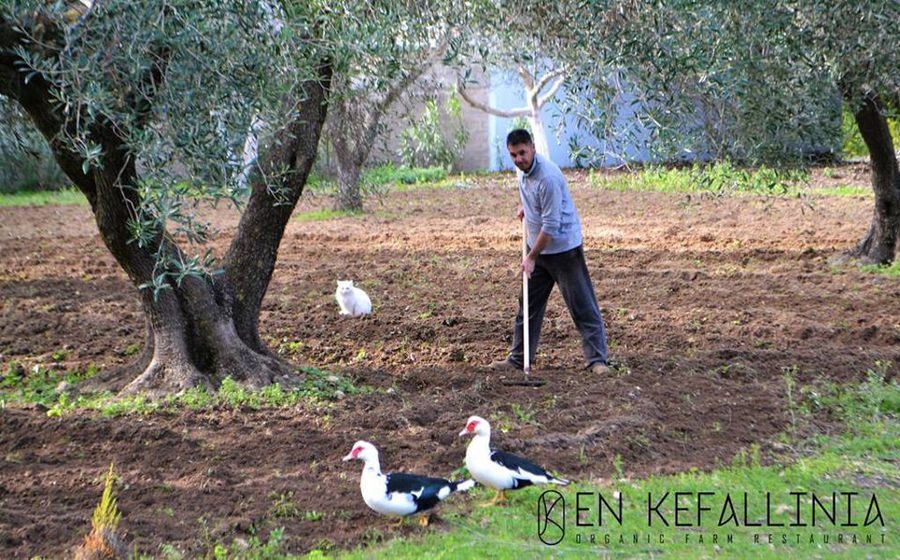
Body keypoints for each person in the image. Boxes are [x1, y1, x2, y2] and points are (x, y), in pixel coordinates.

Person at [490, 129, 610, 375]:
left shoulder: (548, 177)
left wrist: (531, 257)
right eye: (513, 155)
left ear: (532, 148)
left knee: (582, 304)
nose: (518, 159)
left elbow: (552, 226)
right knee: (528, 306)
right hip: (536, 246)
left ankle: (597, 360)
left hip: (563, 250)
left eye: (522, 153)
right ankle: (518, 359)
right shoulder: (522, 171)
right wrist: (526, 207)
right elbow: (533, 197)